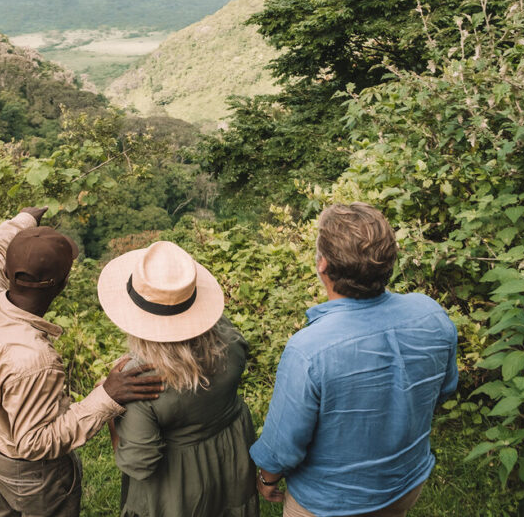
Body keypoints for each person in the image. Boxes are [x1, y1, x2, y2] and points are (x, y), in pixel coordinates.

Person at [250, 202, 459, 517]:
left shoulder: (309, 350)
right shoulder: (430, 313)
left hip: (329, 503)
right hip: (405, 485)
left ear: (322, 264)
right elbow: (444, 389)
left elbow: (284, 445)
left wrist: (268, 478)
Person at [0, 206, 164, 517]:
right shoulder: (35, 359)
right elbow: (34, 442)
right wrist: (105, 398)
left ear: (9, 271)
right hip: (29, 474)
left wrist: (24, 220)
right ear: (62, 283)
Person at [98, 240, 259, 517]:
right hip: (231, 462)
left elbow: (139, 462)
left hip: (177, 489)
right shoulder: (228, 340)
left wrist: (112, 413)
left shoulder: (138, 382)